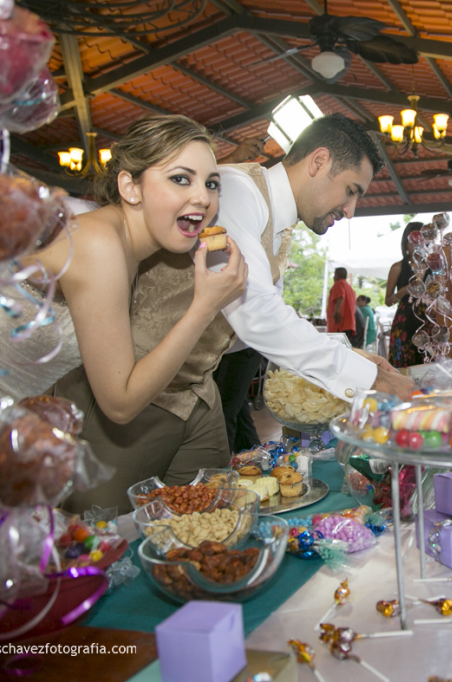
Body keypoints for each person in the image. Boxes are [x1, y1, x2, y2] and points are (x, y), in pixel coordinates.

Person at [55, 114, 413, 510]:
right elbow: (255, 313)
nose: (350, 210)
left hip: (198, 395)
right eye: (350, 191)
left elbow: (249, 325)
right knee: (113, 531)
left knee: (215, 524)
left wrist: (354, 358)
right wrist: (370, 378)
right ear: (319, 162)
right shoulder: (238, 192)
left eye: (209, 183)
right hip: (134, 404)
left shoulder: (274, 219)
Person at [0, 114, 247, 509]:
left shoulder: (130, 251)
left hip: (10, 420)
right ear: (131, 187)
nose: (203, 197)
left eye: (211, 183)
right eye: (181, 179)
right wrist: (204, 306)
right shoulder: (99, 243)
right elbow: (120, 403)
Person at [386, 221, 428, 368]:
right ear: (405, 244)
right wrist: (403, 291)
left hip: (428, 322)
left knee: (428, 367)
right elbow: (388, 301)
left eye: (420, 242)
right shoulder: (397, 268)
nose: (416, 247)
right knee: (403, 367)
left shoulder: (434, 268)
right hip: (404, 323)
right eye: (412, 242)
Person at [327, 267, 357, 343]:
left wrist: (337, 312)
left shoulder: (338, 284)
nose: (333, 277)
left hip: (340, 324)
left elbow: (340, 296)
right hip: (348, 324)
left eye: (334, 274)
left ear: (337, 275)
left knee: (337, 349)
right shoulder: (349, 287)